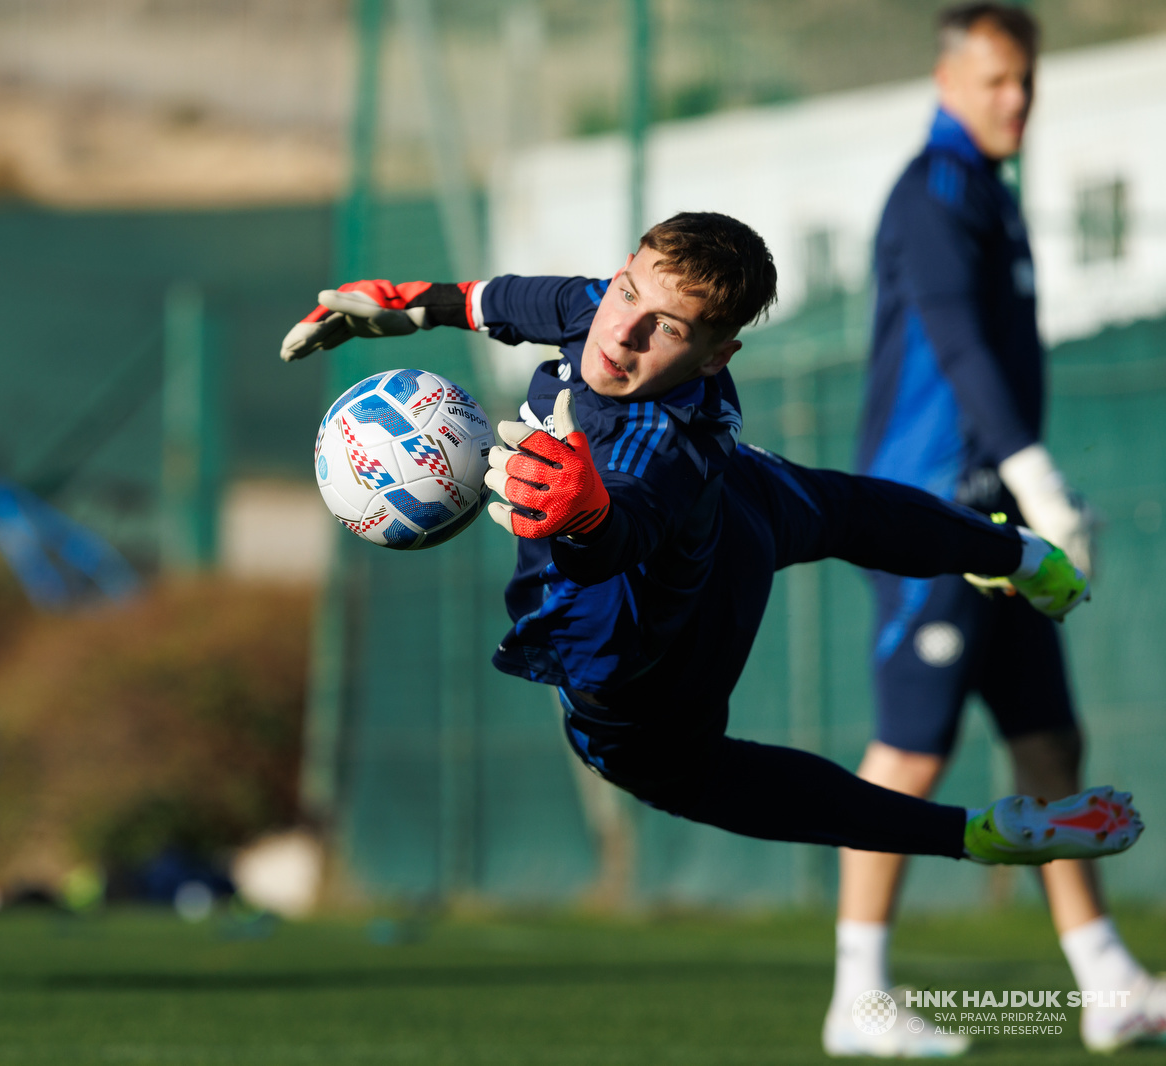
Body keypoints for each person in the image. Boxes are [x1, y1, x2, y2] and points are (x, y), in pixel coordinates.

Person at [280, 210, 1142, 937]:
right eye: (626, 294)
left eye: (669, 329)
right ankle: (1027, 560)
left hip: (651, 642)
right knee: (840, 508)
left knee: (692, 775)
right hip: (740, 517)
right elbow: (512, 301)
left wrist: (585, 518)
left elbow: (629, 524)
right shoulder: (606, 317)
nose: (624, 331)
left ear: (715, 356)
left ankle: (978, 835)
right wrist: (415, 305)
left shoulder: (659, 441)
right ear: (620, 275)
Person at [824, 4, 1166, 1055]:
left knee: (1047, 741)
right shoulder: (932, 191)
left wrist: (1031, 498)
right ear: (946, 82)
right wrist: (1039, 477)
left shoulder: (988, 191)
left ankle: (1105, 978)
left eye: (1024, 79)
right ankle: (858, 995)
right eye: (992, 81)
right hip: (930, 515)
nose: (1012, 98)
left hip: (999, 517)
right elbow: (960, 347)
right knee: (911, 752)